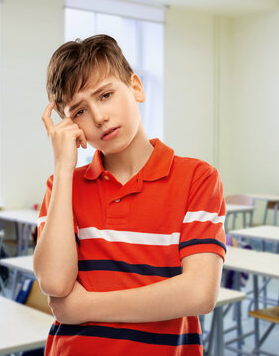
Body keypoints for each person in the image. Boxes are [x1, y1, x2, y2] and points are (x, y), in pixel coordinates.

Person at [33, 34, 226, 355]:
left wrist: (86, 307)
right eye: (79, 111)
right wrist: (63, 167)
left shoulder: (197, 177)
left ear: (136, 87)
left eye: (106, 94)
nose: (98, 117)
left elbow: (199, 293)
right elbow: (54, 283)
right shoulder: (62, 185)